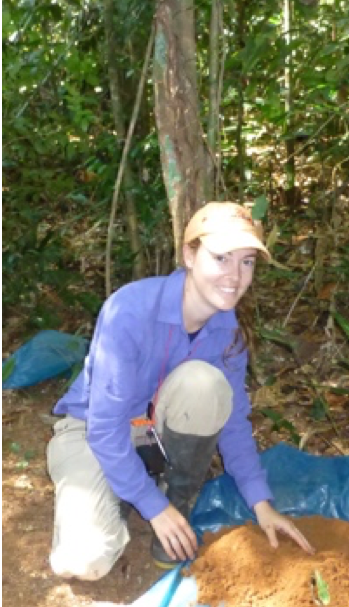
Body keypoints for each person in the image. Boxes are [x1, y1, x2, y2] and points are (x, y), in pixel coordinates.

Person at [47, 201, 313, 580]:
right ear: (190, 255)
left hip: (152, 435)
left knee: (205, 384)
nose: (235, 276)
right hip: (91, 432)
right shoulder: (130, 310)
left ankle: (174, 502)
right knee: (85, 561)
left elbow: (233, 423)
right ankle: (133, 495)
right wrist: (152, 507)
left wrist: (262, 503)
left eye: (247, 262)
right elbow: (104, 428)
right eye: (221, 258)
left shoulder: (228, 333)